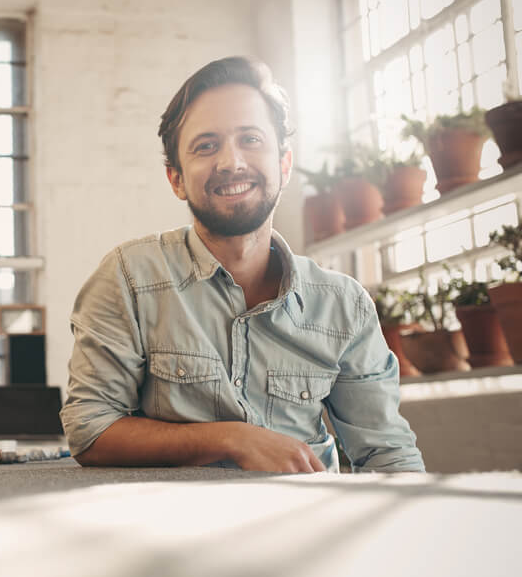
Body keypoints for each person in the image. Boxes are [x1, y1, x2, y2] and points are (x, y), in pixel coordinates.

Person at [59, 56, 424, 473]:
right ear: (175, 179)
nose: (231, 162)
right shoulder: (128, 277)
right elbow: (90, 431)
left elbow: (388, 455)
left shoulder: (344, 304)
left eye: (250, 139)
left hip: (307, 527)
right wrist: (232, 439)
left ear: (284, 165)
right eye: (206, 146)